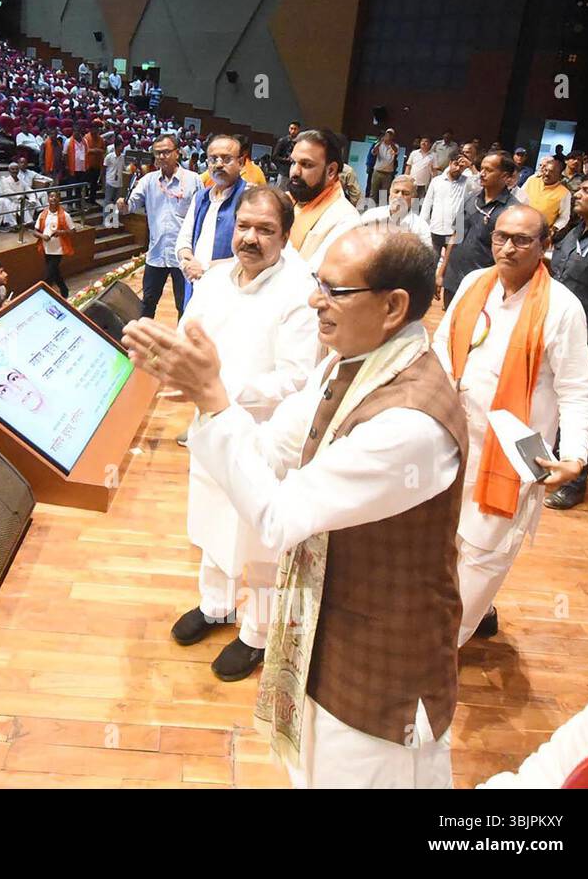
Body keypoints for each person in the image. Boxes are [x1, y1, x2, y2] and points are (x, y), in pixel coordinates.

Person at [125, 224, 466, 788]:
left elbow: (281, 517)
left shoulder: (412, 421)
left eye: (335, 290)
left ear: (393, 306)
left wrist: (213, 399)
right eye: (317, 284)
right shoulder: (346, 363)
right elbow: (271, 449)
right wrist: (210, 397)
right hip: (321, 617)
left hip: (383, 658)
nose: (314, 300)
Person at [168, 186, 318, 681]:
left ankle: (255, 632)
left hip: (264, 435)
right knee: (211, 520)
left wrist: (217, 388)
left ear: (286, 234)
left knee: (260, 541)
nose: (250, 238)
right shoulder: (214, 279)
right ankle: (215, 606)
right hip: (210, 425)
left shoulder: (299, 289)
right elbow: (187, 332)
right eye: (244, 226)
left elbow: (297, 377)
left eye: (265, 229)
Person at [433, 204, 588, 646]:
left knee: (484, 550)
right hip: (454, 440)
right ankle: (479, 610)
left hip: (511, 456)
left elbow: (579, 390)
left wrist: (574, 457)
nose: (507, 247)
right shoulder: (473, 284)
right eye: (501, 236)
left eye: (522, 239)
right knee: (445, 540)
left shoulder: (562, 308)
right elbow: (442, 348)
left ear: (545, 245)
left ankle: (443, 647)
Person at [545, 173, 588, 510]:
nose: (578, 194)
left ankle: (575, 481)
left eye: (587, 190)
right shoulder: (572, 232)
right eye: (579, 189)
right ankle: (551, 462)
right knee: (552, 400)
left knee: (576, 402)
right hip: (556, 331)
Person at [118, 134, 200, 320]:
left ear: (177, 153)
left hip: (183, 256)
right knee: (147, 302)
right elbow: (130, 206)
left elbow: (200, 215)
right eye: (157, 153)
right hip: (156, 254)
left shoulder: (193, 180)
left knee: (184, 304)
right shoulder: (148, 180)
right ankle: (142, 343)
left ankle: (181, 344)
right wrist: (123, 206)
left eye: (166, 152)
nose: (161, 157)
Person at [176, 134, 248, 307]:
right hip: (194, 283)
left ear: (241, 162)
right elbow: (184, 239)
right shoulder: (201, 196)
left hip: (229, 292)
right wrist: (187, 262)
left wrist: (205, 268)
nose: (218, 164)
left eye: (226, 159)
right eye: (213, 159)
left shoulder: (250, 198)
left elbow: (250, 257)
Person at [437, 151, 515, 308]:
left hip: (484, 284)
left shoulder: (512, 210)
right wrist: (441, 272)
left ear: (505, 176)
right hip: (454, 278)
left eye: (489, 170)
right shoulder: (471, 199)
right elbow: (455, 235)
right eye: (482, 168)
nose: (482, 173)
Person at [285, 129, 361, 269]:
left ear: (331, 171)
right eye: (293, 162)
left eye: (306, 165)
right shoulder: (286, 200)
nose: (295, 172)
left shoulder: (346, 221)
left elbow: (317, 280)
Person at [420, 150, 473, 259]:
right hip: (436, 228)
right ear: (450, 163)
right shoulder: (437, 181)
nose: (458, 168)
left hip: (455, 232)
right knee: (432, 259)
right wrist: (423, 226)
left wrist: (471, 165)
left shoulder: (467, 182)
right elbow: (427, 204)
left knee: (450, 263)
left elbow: (480, 185)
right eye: (456, 164)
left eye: (462, 167)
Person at [358, 175, 433, 248]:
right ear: (390, 193)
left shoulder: (420, 227)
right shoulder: (371, 215)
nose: (399, 196)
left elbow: (427, 256)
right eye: (396, 191)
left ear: (414, 198)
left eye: (405, 193)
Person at [515, 156, 572, 240]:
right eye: (546, 170)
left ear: (559, 176)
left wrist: (553, 230)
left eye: (552, 172)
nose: (547, 174)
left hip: (540, 235)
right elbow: (518, 200)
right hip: (519, 225)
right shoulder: (532, 180)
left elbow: (564, 217)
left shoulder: (564, 193)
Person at [33, 190, 75, 298]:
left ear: (59, 199)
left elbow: (73, 231)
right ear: (48, 199)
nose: (53, 199)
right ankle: (64, 291)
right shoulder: (43, 214)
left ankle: (43, 296)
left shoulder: (65, 215)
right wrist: (43, 237)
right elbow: (35, 232)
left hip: (58, 249)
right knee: (56, 274)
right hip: (46, 248)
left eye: (56, 197)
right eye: (51, 196)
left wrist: (61, 232)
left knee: (48, 276)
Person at [367, 128, 399, 200]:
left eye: (391, 135)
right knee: (373, 192)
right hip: (377, 171)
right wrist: (380, 142)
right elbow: (374, 152)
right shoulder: (379, 144)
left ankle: (382, 209)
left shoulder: (395, 146)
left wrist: (390, 142)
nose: (389, 136)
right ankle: (371, 209)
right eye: (387, 134)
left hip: (388, 173)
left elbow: (396, 151)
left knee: (384, 194)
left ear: (393, 137)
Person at [404, 135, 436, 201]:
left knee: (417, 202)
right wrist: (406, 178)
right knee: (408, 199)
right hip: (412, 181)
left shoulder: (433, 156)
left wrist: (433, 181)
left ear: (430, 144)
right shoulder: (414, 153)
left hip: (423, 184)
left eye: (426, 141)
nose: (423, 143)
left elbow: (434, 170)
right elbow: (408, 166)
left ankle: (414, 211)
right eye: (422, 141)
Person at [271, 121, 300, 189]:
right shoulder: (283, 141)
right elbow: (274, 156)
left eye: (295, 129)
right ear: (289, 129)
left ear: (298, 130)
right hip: (284, 172)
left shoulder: (299, 142)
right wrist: (286, 160)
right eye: (291, 128)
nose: (293, 131)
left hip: (294, 173)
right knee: (279, 193)